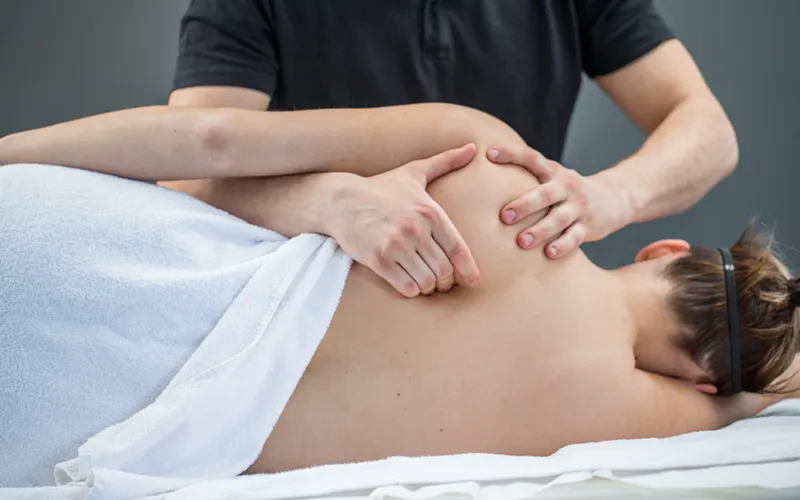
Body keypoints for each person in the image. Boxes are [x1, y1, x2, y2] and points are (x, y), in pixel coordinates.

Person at [0, 103, 795, 486]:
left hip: (61, 227)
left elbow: (212, 141)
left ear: (666, 249)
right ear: (701, 378)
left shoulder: (491, 162)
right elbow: (762, 396)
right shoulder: (616, 412)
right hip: (57, 400)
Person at [163, 0, 740, 297]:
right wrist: (325, 202)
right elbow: (180, 175)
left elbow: (708, 132)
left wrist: (610, 196)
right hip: (323, 311)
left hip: (516, 308)